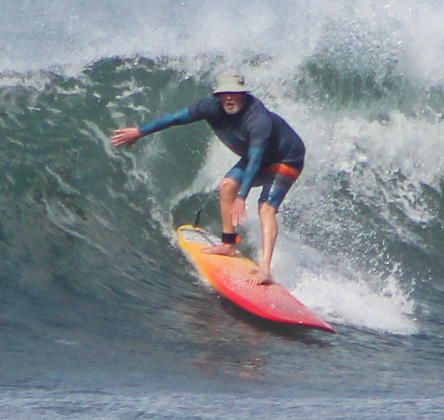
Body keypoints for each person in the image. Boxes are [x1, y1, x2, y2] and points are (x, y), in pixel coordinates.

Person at [110, 71, 305, 284]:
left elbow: (256, 160)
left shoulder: (258, 120)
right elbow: (175, 118)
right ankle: (228, 244)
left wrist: (242, 197)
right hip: (255, 156)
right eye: (224, 94)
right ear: (218, 96)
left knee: (265, 208)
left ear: (243, 94)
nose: (229, 98)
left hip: (286, 158)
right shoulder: (210, 107)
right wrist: (140, 131)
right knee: (226, 185)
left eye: (234, 93)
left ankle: (265, 270)